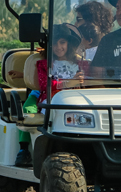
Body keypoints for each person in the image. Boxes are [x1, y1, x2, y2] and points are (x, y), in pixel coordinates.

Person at [15, 24, 88, 167]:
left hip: (75, 99)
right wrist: (68, 83)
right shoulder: (44, 64)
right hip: (51, 99)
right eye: (54, 43)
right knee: (35, 111)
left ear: (69, 44)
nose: (58, 47)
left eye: (62, 42)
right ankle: (25, 150)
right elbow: (45, 85)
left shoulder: (81, 64)